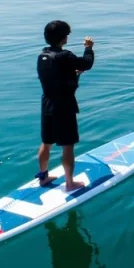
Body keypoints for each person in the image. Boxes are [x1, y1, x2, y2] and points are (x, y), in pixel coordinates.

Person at [37, 20, 94, 191]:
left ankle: (43, 177)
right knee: (67, 145)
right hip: (64, 106)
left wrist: (73, 73)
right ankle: (70, 183)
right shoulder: (65, 56)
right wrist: (88, 48)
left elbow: (55, 76)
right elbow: (86, 63)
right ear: (63, 38)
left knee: (46, 143)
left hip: (47, 105)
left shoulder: (43, 56)